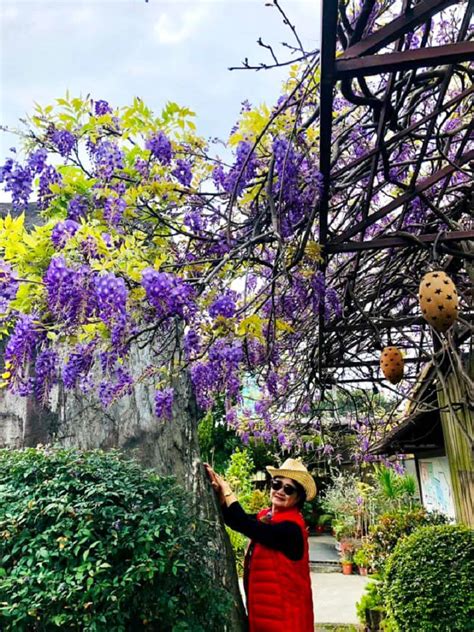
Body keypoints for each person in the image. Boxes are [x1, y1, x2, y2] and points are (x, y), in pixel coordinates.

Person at [205, 458, 316, 632]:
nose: (280, 491)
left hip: (287, 620)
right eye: (276, 484)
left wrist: (227, 490)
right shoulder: (267, 517)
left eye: (288, 489)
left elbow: (245, 524)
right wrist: (220, 496)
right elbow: (235, 520)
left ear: (298, 498)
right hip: (265, 616)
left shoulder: (291, 529)